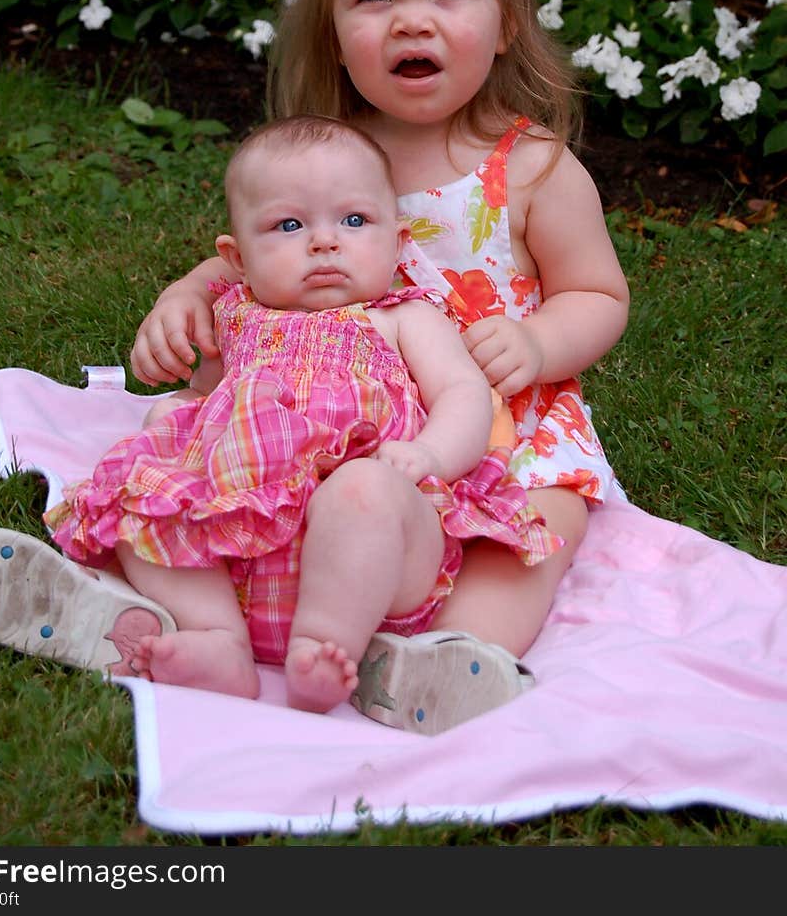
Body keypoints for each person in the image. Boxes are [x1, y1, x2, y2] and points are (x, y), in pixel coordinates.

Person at [129, 0, 631, 729]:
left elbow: (598, 291)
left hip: (500, 427)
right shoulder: (324, 157)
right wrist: (190, 290)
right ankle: (224, 619)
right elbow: (255, 258)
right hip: (348, 419)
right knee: (245, 489)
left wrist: (537, 342)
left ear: (505, 19)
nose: (413, 21)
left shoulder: (530, 169)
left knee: (535, 531)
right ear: (334, 31)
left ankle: (455, 655)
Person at [39, 115, 549, 721]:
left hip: (368, 562)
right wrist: (168, 419)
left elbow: (463, 395)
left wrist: (430, 457)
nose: (325, 242)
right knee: (141, 491)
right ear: (238, 257)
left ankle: (326, 647)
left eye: (355, 221)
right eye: (288, 225)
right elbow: (205, 403)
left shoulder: (406, 318)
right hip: (235, 549)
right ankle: (217, 641)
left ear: (400, 242)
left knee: (362, 491)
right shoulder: (235, 317)